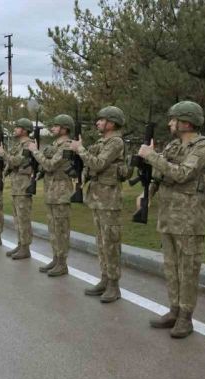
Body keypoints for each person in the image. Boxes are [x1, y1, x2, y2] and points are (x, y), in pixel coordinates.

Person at [137, 101, 205, 338]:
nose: (170, 123)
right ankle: (174, 309)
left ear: (186, 122)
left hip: (189, 217)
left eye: (173, 119)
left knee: (188, 270)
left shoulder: (202, 147)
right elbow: (159, 173)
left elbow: (182, 174)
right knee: (171, 268)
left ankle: (186, 317)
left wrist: (153, 156)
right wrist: (147, 194)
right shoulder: (174, 145)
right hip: (168, 214)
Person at [73, 107, 128, 302]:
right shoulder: (102, 142)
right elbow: (90, 165)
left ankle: (114, 285)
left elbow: (97, 164)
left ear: (111, 123)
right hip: (98, 197)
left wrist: (80, 149)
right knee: (101, 242)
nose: (97, 123)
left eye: (101, 120)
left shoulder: (116, 142)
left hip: (109, 199)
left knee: (110, 243)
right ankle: (105, 278)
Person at [29, 114, 76, 276]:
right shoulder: (55, 145)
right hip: (51, 191)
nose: (53, 128)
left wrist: (35, 151)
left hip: (61, 192)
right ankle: (56, 258)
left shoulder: (67, 146)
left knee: (61, 230)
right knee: (53, 229)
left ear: (65, 128)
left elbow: (49, 165)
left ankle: (62, 263)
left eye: (56, 125)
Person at [0, 118, 35, 259]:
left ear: (25, 130)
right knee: (17, 217)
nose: (14, 129)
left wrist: (3, 153)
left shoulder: (28, 145)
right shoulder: (19, 145)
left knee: (23, 218)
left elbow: (16, 161)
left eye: (17, 127)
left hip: (23, 186)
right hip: (16, 185)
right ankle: (21, 244)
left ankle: (25, 248)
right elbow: (11, 163)